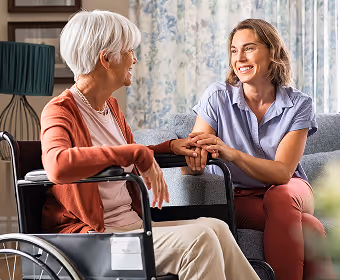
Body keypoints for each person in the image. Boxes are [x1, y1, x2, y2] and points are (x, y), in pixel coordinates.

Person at [40, 10, 260, 280]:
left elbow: (123, 158)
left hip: (130, 228)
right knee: (200, 241)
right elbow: (57, 166)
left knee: (216, 227)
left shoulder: (110, 107)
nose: (135, 58)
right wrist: (136, 151)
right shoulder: (60, 111)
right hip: (93, 244)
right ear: (106, 59)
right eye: (129, 51)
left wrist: (170, 147)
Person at [186, 19, 335, 280]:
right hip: (241, 197)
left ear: (273, 52)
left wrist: (231, 153)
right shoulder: (217, 97)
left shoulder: (298, 104)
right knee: (309, 226)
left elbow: (281, 174)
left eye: (249, 48)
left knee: (281, 195)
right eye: (234, 50)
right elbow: (194, 151)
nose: (239, 58)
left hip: (292, 191)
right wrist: (195, 157)